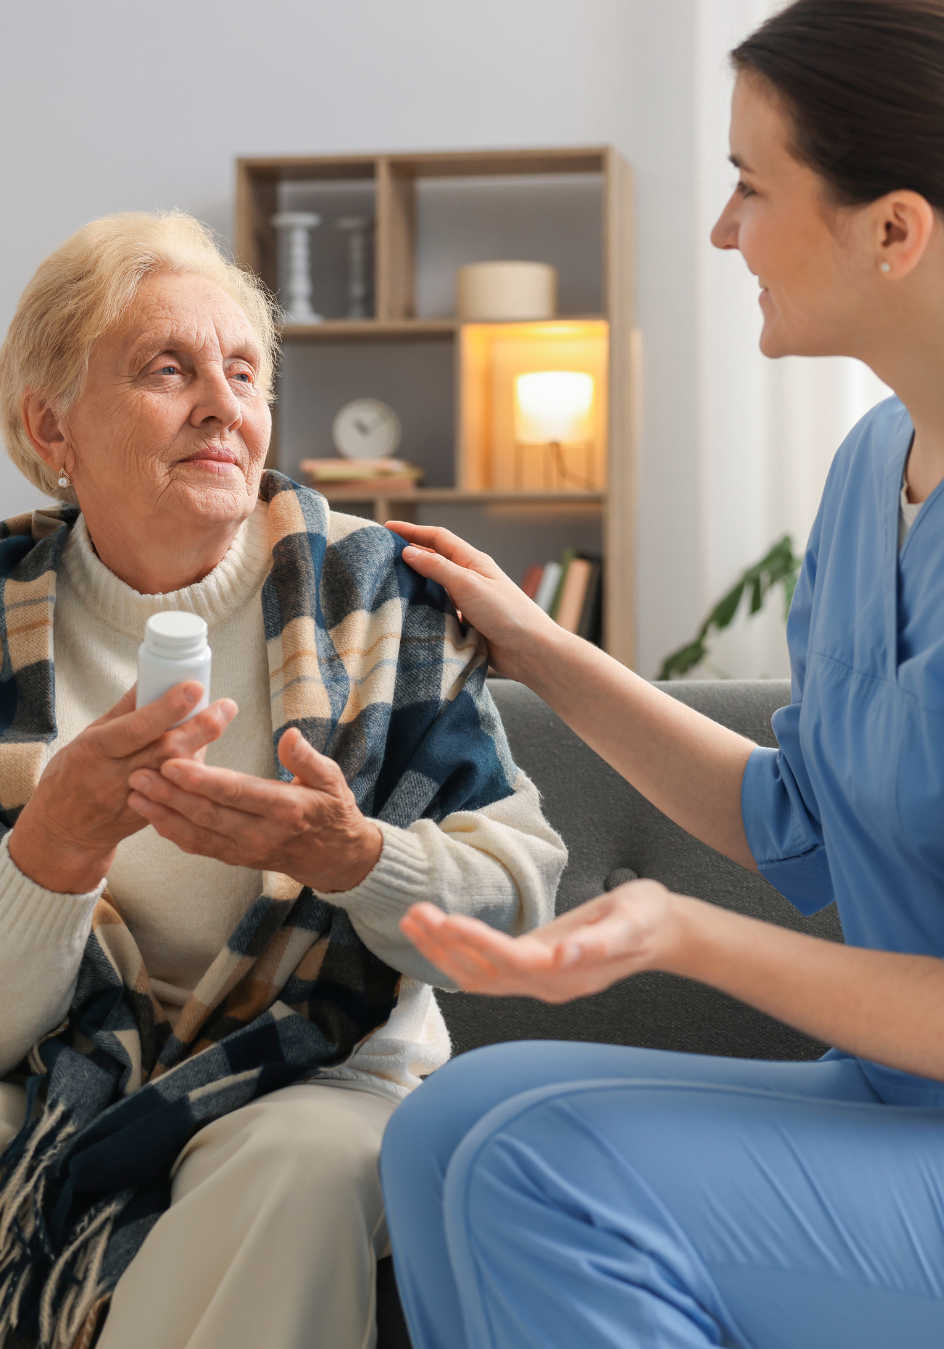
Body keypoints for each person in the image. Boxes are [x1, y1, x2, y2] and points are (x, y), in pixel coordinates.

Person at [378, 2, 944, 1345]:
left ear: (894, 230)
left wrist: (682, 930)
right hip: (908, 1105)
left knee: (541, 1170)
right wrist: (533, 644)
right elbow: (797, 819)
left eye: (751, 185)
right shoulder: (878, 463)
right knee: (446, 1123)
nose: (722, 230)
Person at [0, 211, 565, 1349]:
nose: (223, 403)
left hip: (326, 1077)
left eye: (245, 371)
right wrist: (48, 854)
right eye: (169, 368)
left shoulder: (381, 600)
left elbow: (521, 896)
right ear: (49, 422)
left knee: (302, 1170)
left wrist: (356, 856)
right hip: (53, 1074)